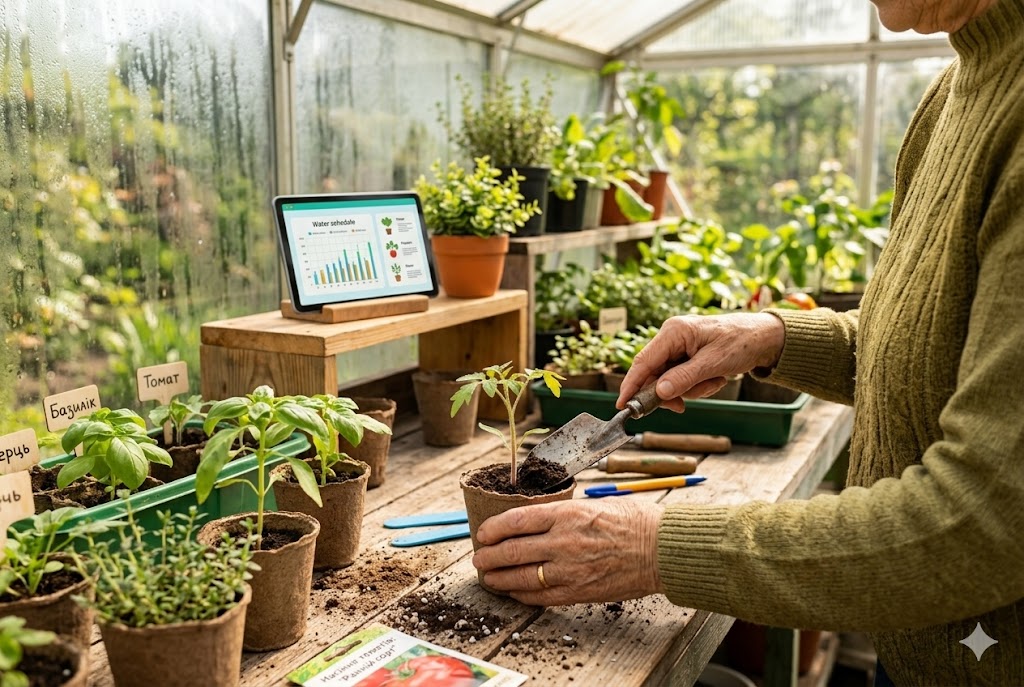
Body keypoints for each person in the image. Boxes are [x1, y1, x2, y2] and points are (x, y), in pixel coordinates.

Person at [470, 0, 1024, 683]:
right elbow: (933, 347)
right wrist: (772, 336)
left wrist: (658, 546)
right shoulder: (952, 91)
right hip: (923, 644)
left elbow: (984, 522)